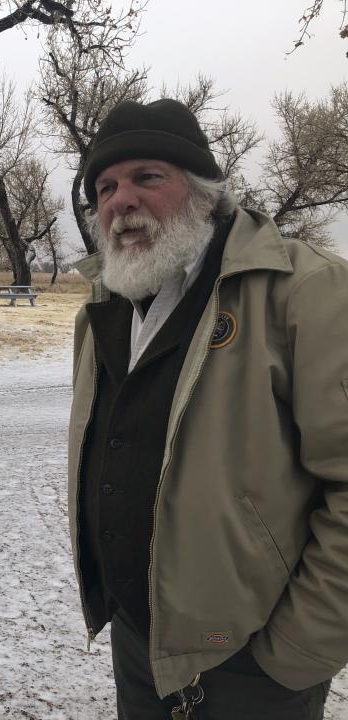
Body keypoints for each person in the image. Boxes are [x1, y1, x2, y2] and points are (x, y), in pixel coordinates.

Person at [67, 98, 348, 719]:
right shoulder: (106, 305)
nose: (121, 201)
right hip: (141, 645)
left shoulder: (305, 291)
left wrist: (295, 653)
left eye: (147, 177)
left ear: (204, 191)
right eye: (105, 187)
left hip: (256, 667)